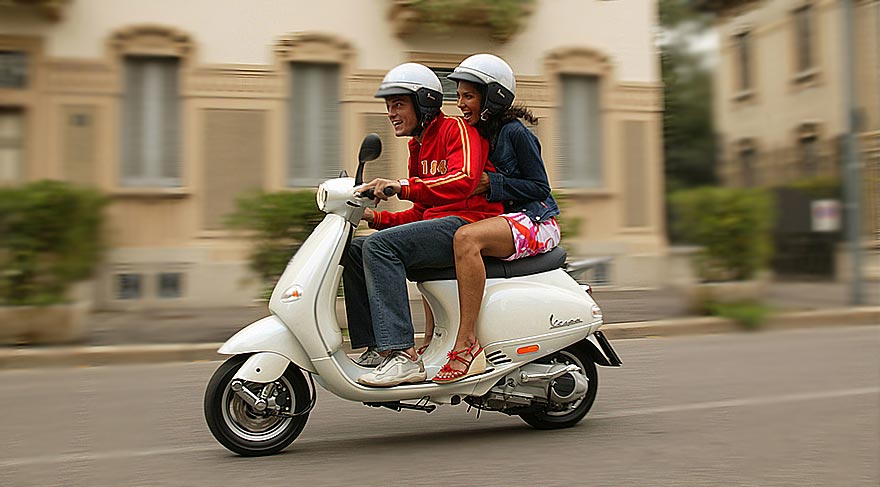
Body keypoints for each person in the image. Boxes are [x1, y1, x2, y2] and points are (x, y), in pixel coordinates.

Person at [344, 62, 504, 387]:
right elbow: (421, 212)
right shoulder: (417, 147)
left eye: (399, 104)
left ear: (424, 103)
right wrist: (376, 218)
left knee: (378, 247)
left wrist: (400, 186)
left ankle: (402, 354)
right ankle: (377, 345)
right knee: (356, 248)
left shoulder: (456, 130)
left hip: (465, 224)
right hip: (439, 226)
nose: (391, 113)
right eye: (389, 106)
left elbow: (464, 180)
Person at [429, 54, 561, 383]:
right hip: (508, 221)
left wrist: (493, 184)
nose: (459, 103)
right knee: (434, 239)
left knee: (466, 238)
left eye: (468, 96)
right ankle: (432, 343)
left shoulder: (515, 133)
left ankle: (466, 344)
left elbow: (540, 186)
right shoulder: (479, 134)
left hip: (536, 220)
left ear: (493, 97)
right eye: (458, 96)